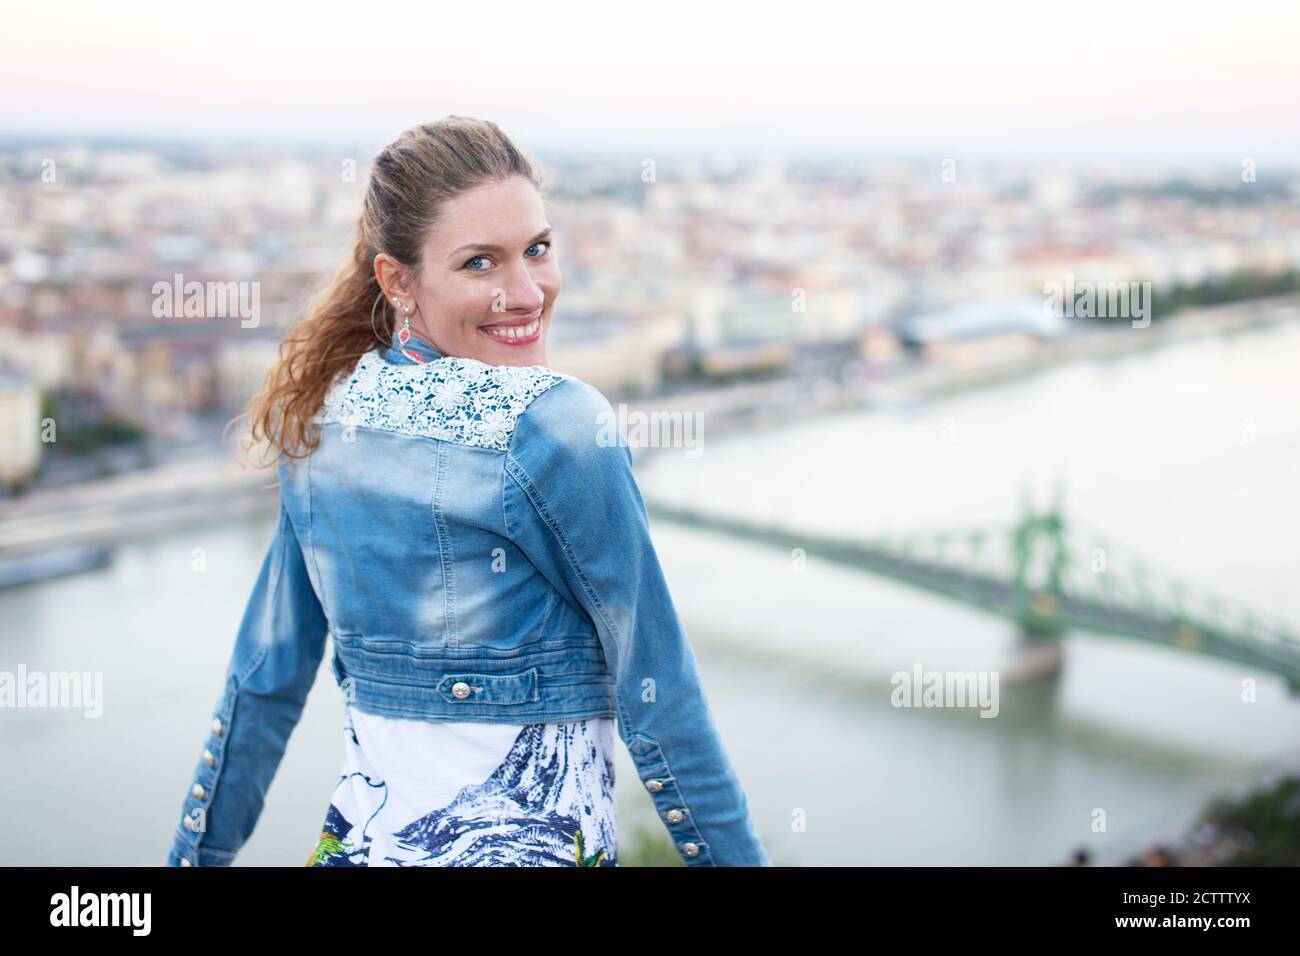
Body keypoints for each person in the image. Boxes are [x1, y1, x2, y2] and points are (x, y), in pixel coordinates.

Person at [164, 116, 770, 868]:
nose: (526, 293)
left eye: (537, 251)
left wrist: (191, 859)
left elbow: (261, 685)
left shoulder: (322, 416)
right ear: (397, 281)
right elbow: (664, 702)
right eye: (481, 263)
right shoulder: (555, 425)